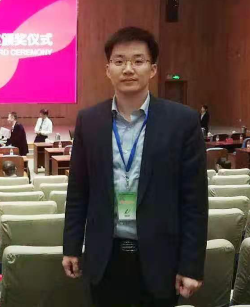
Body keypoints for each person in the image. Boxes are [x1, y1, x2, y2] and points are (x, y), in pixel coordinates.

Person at [63, 26, 208, 306]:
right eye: (119, 61)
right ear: (108, 70)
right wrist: (71, 246)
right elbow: (78, 191)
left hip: (161, 259)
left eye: (138, 61)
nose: (128, 69)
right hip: (105, 257)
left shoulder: (183, 122)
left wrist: (191, 265)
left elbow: (194, 201)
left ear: (152, 69)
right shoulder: (89, 121)